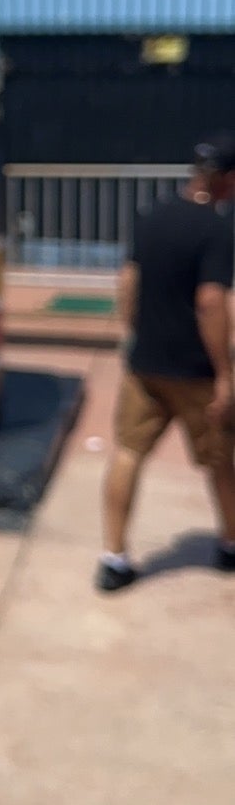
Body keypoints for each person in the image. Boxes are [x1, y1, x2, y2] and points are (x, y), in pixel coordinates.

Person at [96, 133, 235, 594]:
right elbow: (211, 302)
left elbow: (128, 281)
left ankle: (114, 558)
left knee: (128, 453)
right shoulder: (216, 230)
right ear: (225, 180)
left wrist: (135, 334)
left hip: (145, 366)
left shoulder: (150, 216)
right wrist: (225, 375)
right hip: (194, 371)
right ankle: (230, 545)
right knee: (220, 462)